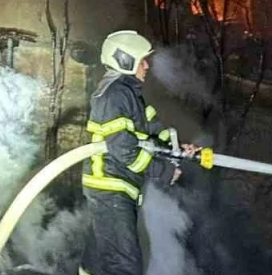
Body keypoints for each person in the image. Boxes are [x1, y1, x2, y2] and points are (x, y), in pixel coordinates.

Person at [78, 30, 199, 275]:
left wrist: (177, 147)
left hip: (114, 186)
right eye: (142, 60)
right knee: (124, 267)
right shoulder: (115, 95)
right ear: (126, 60)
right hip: (111, 186)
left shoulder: (128, 94)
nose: (146, 66)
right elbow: (124, 150)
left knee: (100, 261)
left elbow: (151, 130)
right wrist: (163, 171)